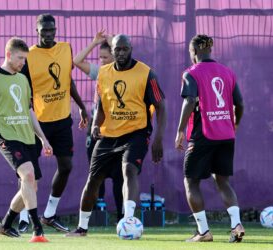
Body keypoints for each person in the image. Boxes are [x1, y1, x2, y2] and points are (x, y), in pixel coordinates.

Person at [66, 34, 167, 236]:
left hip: (136, 132)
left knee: (129, 170)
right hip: (109, 135)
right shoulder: (104, 73)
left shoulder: (146, 73)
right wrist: (95, 124)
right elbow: (101, 105)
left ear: (131, 49)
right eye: (117, 49)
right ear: (112, 51)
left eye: (125, 49)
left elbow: (161, 106)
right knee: (93, 179)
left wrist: (158, 138)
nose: (121, 52)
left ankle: (128, 219)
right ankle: (82, 227)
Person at [0, 37, 52, 243]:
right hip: (5, 136)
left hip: (27, 137)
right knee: (28, 176)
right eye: (20, 58)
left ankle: (5, 224)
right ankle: (37, 229)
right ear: (8, 54)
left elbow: (29, 111)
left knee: (31, 186)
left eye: (25, 59)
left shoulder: (23, 79)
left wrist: (43, 138)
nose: (23, 63)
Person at [18, 13, 88, 233]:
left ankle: (49, 213)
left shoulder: (65, 49)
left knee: (66, 166)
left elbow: (68, 80)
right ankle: (22, 217)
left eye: (51, 30)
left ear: (55, 31)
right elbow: (23, 88)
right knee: (29, 172)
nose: (48, 34)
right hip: (38, 123)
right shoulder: (28, 56)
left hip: (62, 120)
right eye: (44, 30)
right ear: (36, 31)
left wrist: (82, 107)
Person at [174, 34, 245, 243]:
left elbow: (189, 101)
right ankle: (236, 224)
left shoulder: (191, 73)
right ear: (209, 50)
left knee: (191, 182)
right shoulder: (227, 72)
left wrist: (179, 130)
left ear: (194, 52)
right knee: (223, 181)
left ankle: (203, 232)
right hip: (226, 135)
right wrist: (235, 124)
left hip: (202, 135)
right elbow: (239, 104)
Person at [73, 30, 124, 222]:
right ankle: (94, 217)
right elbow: (77, 61)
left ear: (114, 55)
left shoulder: (124, 72)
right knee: (96, 177)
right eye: (99, 57)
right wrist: (95, 42)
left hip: (118, 132)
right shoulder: (100, 72)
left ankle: (122, 217)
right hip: (96, 132)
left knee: (120, 178)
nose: (101, 60)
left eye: (105, 57)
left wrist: (113, 42)